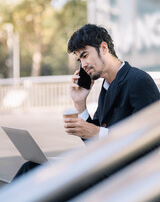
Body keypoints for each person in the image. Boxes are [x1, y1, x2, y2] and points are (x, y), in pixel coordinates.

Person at [12, 24, 160, 179]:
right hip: (101, 168)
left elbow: (151, 142)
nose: (83, 65)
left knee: (32, 172)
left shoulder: (138, 80)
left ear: (103, 48)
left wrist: (97, 133)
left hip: (124, 177)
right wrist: (80, 104)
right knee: (32, 167)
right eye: (79, 59)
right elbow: (95, 143)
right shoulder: (106, 87)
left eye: (85, 55)